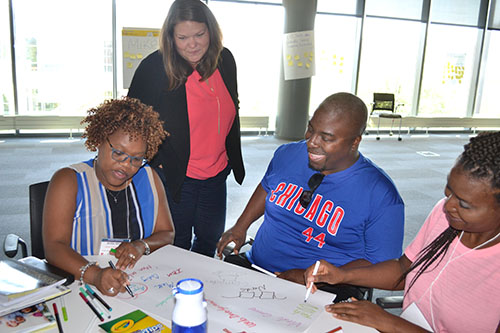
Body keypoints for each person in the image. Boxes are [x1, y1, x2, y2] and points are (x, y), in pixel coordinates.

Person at [304, 131, 500, 332]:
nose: (448, 205)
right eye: (448, 191)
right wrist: (342, 274)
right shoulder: (446, 216)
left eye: (464, 204)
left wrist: (391, 323)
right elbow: (405, 270)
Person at [217, 92, 405, 301]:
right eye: (311, 129)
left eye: (326, 138)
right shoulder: (287, 154)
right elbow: (267, 186)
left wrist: (314, 276)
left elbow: (383, 266)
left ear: (355, 142)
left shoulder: (381, 195)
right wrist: (241, 225)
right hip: (258, 269)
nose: (311, 142)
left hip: (324, 289)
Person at [127, 0, 245, 258]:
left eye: (200, 34)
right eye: (183, 37)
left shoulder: (225, 60)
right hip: (175, 177)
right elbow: (131, 122)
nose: (193, 44)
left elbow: (230, 110)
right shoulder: (155, 68)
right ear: (170, 37)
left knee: (208, 241)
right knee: (174, 244)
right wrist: (155, 162)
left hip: (215, 175)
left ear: (211, 32)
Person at [43, 97, 175, 297]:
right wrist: (95, 275)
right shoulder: (69, 181)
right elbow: (53, 247)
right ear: (99, 141)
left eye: (136, 158)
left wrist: (142, 245)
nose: (126, 165)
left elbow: (167, 233)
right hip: (82, 285)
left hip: (138, 283)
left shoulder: (148, 178)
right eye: (118, 153)